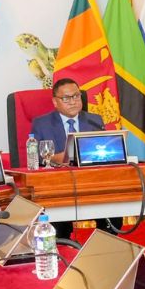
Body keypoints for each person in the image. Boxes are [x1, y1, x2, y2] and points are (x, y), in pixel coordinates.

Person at [30, 77, 117, 239]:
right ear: (55, 102)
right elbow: (38, 158)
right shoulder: (41, 123)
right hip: (59, 186)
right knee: (58, 227)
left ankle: (105, 241)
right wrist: (69, 155)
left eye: (76, 96)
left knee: (113, 212)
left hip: (91, 183)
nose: (73, 101)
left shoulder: (94, 120)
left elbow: (102, 152)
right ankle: (64, 243)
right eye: (66, 98)